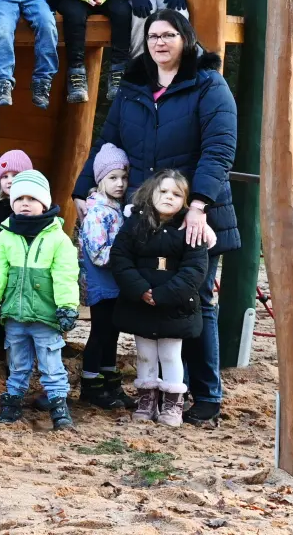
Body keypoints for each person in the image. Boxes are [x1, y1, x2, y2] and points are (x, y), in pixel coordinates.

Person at [74, 9, 236, 426]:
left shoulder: (208, 86)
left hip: (195, 212)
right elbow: (108, 142)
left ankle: (205, 394)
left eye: (168, 35)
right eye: (152, 36)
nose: (159, 43)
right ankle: (152, 391)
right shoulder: (133, 88)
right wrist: (81, 190)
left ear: (185, 38)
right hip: (144, 216)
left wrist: (199, 205)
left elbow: (219, 150)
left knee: (196, 301)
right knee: (142, 297)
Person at [0, 171, 79, 431]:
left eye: (32, 198)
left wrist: (67, 306)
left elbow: (66, 275)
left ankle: (58, 406)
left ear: (44, 202)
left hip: (45, 316)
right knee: (17, 364)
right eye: (20, 198)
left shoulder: (57, 237)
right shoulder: (6, 236)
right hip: (15, 316)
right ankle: (12, 403)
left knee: (50, 363)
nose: (25, 203)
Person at [110, 170, 209, 428]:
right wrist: (140, 289)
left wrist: (164, 294)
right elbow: (120, 258)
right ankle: (146, 400)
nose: (168, 197)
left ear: (185, 201)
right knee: (144, 354)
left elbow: (195, 270)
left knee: (170, 354)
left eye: (176, 194)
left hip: (174, 305)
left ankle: (172, 403)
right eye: (163, 191)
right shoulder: (134, 224)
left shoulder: (190, 228)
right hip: (140, 302)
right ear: (151, 193)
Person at [77, 143, 132, 411]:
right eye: (112, 178)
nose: (119, 184)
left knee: (113, 333)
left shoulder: (117, 209)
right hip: (101, 282)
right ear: (100, 180)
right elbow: (98, 253)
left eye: (123, 177)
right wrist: (129, 256)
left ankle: (111, 382)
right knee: (100, 332)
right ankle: (90, 384)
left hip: (115, 283)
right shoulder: (97, 212)